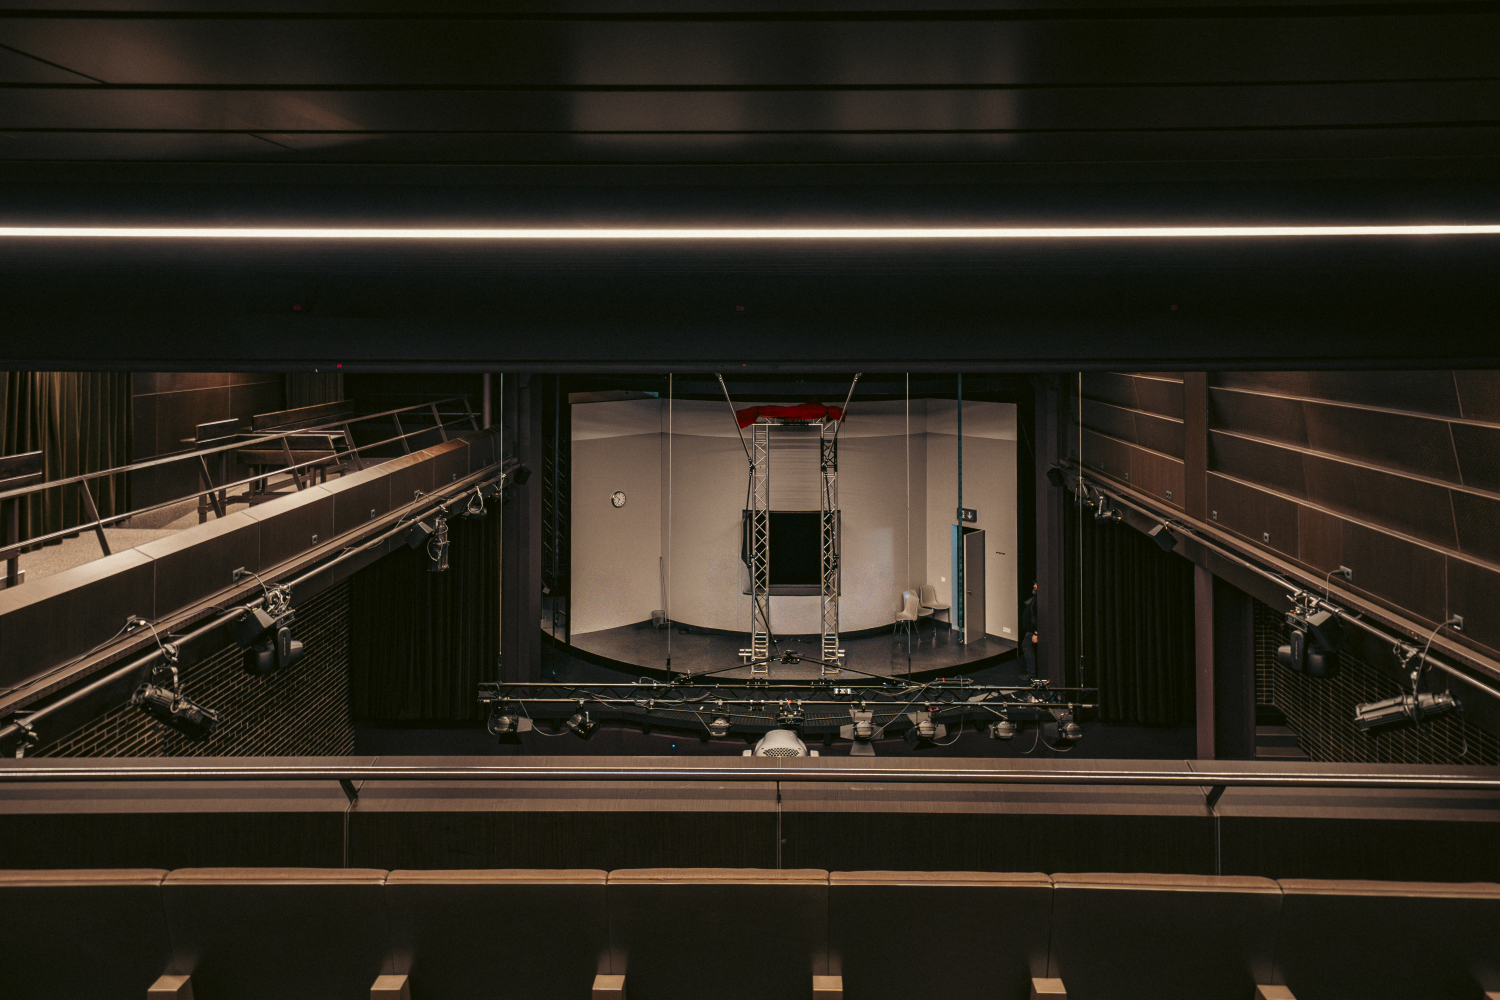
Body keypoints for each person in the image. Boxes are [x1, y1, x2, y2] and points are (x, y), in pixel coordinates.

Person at [1020, 581, 1039, 683]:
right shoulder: (1036, 599)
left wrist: (1036, 633)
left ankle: (1032, 674)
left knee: (1026, 646)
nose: (1034, 586)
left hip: (1033, 631)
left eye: (1036, 584)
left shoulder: (1039, 601)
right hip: (1031, 630)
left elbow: (1040, 618)